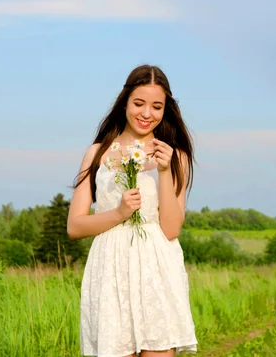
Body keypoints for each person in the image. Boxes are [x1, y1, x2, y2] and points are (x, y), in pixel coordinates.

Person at [67, 64, 198, 357]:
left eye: (156, 106)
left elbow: (171, 229)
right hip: (110, 267)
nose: (146, 113)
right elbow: (75, 226)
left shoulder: (175, 156)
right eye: (139, 103)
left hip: (156, 268)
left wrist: (164, 172)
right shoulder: (97, 152)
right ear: (125, 102)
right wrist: (118, 213)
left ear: (166, 110)